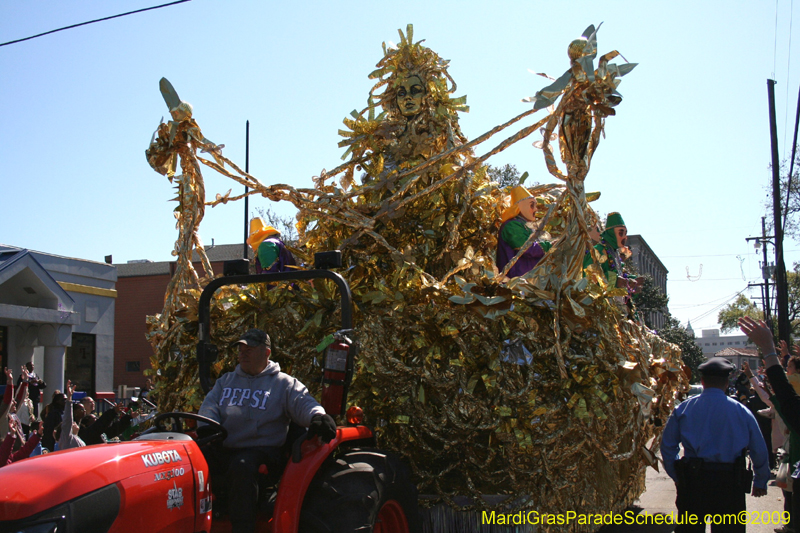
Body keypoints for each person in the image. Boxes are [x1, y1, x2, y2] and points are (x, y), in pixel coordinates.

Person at [198, 328, 336, 533]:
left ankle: (243, 528)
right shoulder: (225, 381)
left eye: (250, 349)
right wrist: (207, 425)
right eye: (241, 349)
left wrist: (318, 416)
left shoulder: (282, 383)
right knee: (188, 460)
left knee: (242, 467)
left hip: (263, 451)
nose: (243, 353)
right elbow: (209, 407)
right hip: (225, 446)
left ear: (266, 352)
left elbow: (303, 403)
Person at [660, 357, 769, 533]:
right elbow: (758, 448)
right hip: (729, 484)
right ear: (727, 382)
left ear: (702, 381)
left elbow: (667, 446)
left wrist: (677, 476)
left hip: (694, 482)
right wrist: (761, 480)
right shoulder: (741, 411)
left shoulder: (684, 409)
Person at [496, 185, 552, 278]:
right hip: (515, 282)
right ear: (521, 207)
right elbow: (526, 248)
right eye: (531, 205)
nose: (535, 209)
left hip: (529, 281)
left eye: (535, 205)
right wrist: (551, 246)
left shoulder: (526, 226)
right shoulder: (511, 225)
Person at [583, 212, 642, 293]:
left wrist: (631, 283)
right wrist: (614, 281)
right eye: (621, 233)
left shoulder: (615, 253)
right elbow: (588, 278)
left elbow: (619, 281)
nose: (625, 237)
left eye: (625, 233)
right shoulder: (598, 251)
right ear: (611, 234)